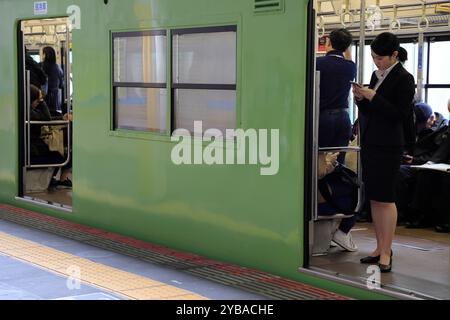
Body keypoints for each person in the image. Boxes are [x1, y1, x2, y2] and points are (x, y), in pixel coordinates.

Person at [353, 32, 416, 272]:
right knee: (375, 198)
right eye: (373, 58)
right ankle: (379, 247)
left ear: (394, 55)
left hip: (390, 145)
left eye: (380, 58)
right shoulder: (376, 75)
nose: (376, 63)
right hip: (371, 140)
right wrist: (361, 98)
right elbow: (371, 110)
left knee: (386, 197)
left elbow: (399, 115)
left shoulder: (404, 78)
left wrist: (374, 96)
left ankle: (387, 251)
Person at [316, 28, 356, 165]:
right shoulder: (351, 67)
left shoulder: (317, 63)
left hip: (323, 118)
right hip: (343, 119)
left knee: (320, 162)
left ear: (328, 42)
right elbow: (348, 58)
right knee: (338, 162)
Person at [41, 46, 64, 116]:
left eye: (42, 53)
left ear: (45, 55)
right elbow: (61, 85)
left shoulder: (40, 66)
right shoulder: (58, 68)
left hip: (42, 100)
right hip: (55, 102)